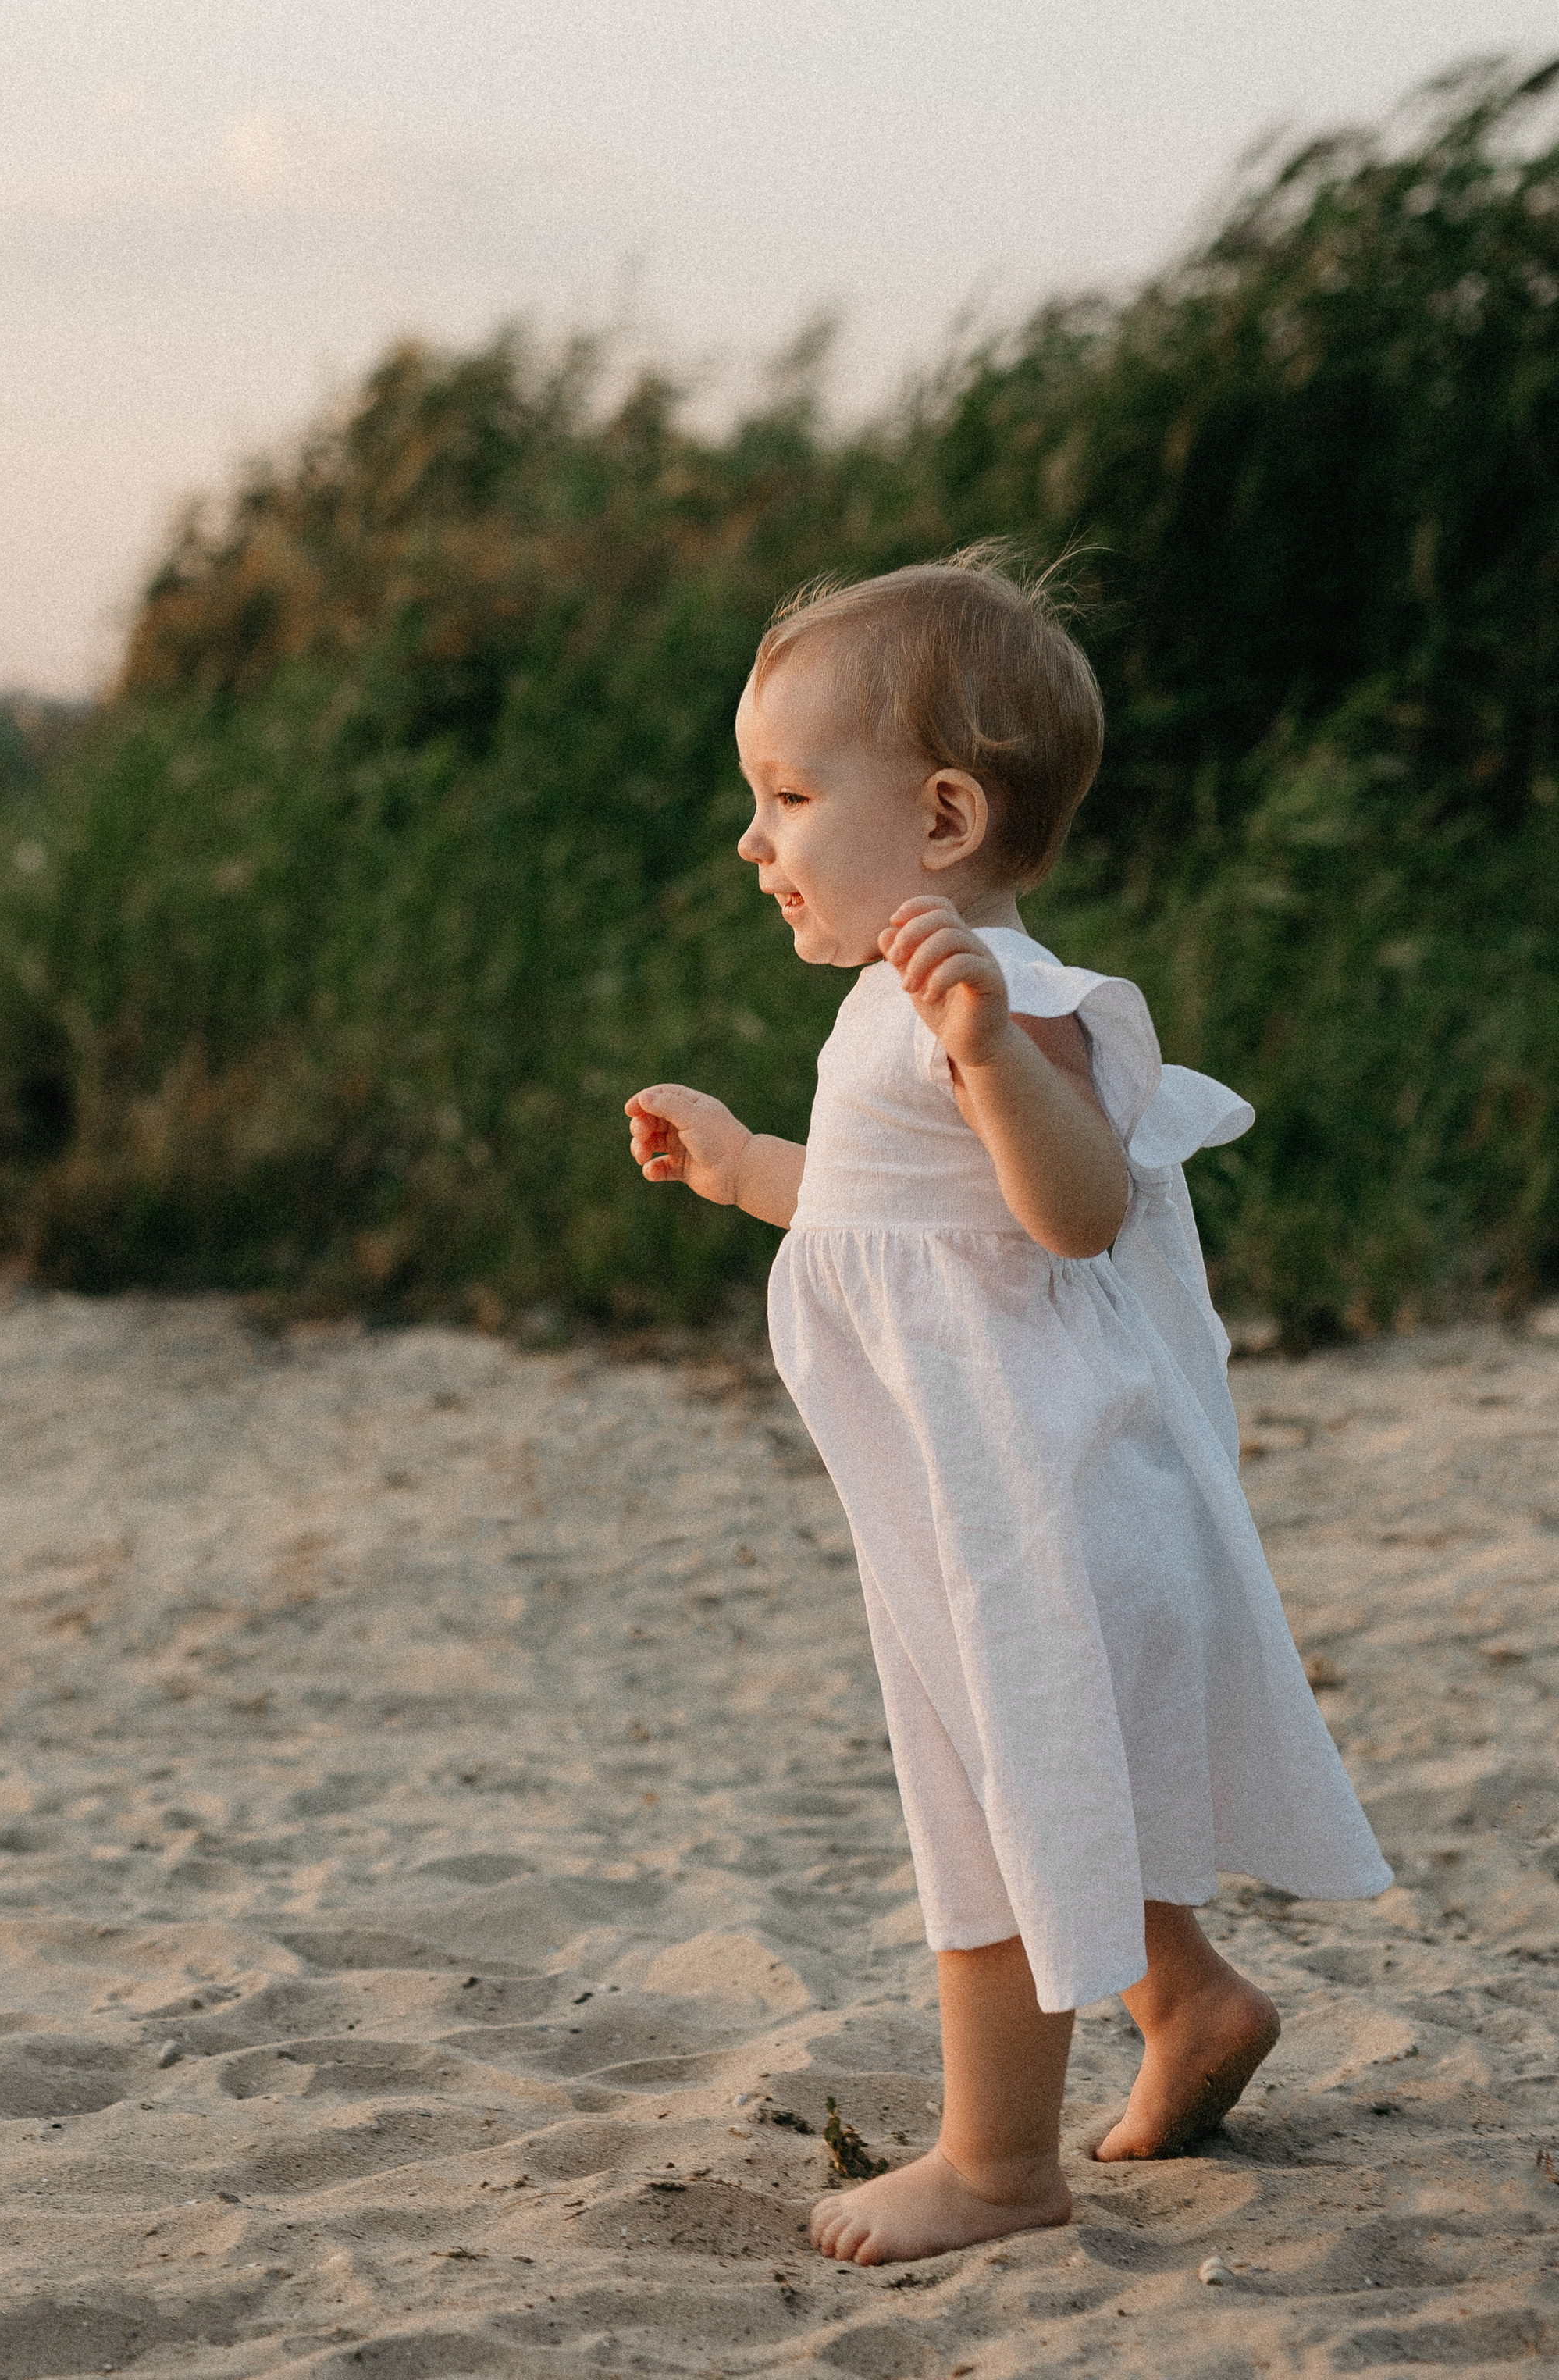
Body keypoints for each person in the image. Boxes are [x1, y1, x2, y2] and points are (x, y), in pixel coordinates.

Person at [624, 550, 1389, 2267]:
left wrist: (979, 1051)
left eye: (789, 796)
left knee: (989, 1817)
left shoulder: (997, 1004)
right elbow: (889, 1221)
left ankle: (993, 2167)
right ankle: (1183, 2004)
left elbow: (1072, 1209)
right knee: (1047, 1778)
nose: (753, 841)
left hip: (1036, 1505)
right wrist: (741, 1162)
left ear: (945, 815)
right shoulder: (899, 1007)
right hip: (994, 1503)